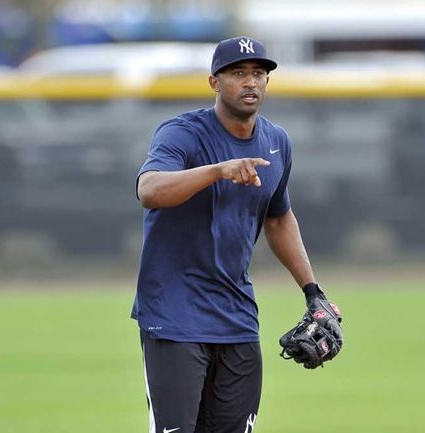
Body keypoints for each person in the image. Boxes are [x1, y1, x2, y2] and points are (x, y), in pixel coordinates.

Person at [132, 36, 340, 433]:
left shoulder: (276, 142)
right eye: (238, 73)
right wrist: (216, 170)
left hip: (237, 317)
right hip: (174, 315)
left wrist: (313, 292)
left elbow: (279, 219)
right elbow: (150, 191)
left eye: (259, 73)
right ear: (214, 82)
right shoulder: (182, 134)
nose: (250, 82)